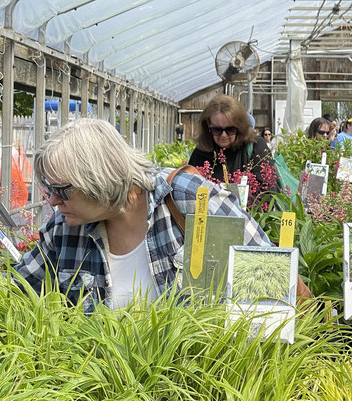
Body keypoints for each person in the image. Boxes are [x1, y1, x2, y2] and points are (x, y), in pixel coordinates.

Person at [14, 118, 273, 313]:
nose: (53, 200)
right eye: (50, 189)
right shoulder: (64, 228)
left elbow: (270, 278)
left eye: (62, 189)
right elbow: (15, 295)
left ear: (99, 179)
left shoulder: (188, 197)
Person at [188, 95, 277, 200]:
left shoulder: (255, 146)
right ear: (208, 125)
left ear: (239, 127)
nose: (223, 135)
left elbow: (268, 193)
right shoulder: (201, 152)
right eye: (217, 130)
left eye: (230, 129)